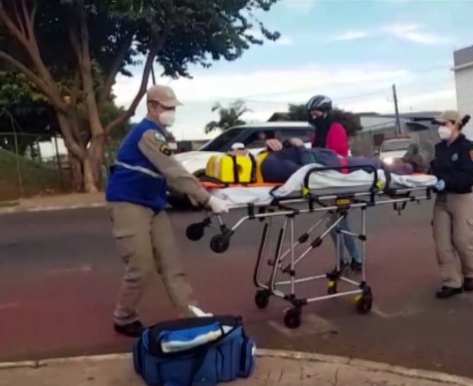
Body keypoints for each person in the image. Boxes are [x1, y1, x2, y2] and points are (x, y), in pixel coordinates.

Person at [105, 85, 231, 337]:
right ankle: (124, 316)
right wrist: (207, 199)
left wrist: (193, 195)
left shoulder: (158, 134)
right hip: (129, 203)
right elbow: (173, 170)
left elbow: (168, 176)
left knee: (171, 261)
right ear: (152, 107)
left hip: (152, 203)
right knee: (140, 264)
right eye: (167, 107)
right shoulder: (148, 135)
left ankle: (189, 310)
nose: (171, 112)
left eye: (173, 107)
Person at [267, 95, 360, 273]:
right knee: (338, 223)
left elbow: (335, 156)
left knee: (336, 224)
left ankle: (348, 261)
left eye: (316, 114)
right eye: (311, 114)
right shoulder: (318, 133)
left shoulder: (336, 129)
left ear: (326, 113)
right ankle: (351, 260)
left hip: (338, 179)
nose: (313, 118)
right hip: (326, 180)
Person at [429, 110, 473, 299]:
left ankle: (470, 274)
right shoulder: (440, 148)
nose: (441, 129)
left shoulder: (467, 148)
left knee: (463, 240)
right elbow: (433, 168)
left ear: (456, 124)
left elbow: (468, 175)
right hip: (442, 199)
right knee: (442, 243)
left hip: (461, 198)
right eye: (440, 125)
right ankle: (451, 282)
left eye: (445, 124)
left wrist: (447, 182)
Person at [234, 137, 424, 183]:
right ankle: (414, 165)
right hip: (334, 166)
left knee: (374, 163)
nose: (238, 151)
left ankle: (407, 161)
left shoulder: (262, 159)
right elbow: (307, 170)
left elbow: (287, 154)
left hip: (331, 159)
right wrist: (300, 146)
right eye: (234, 154)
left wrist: (285, 143)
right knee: (377, 165)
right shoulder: (270, 166)